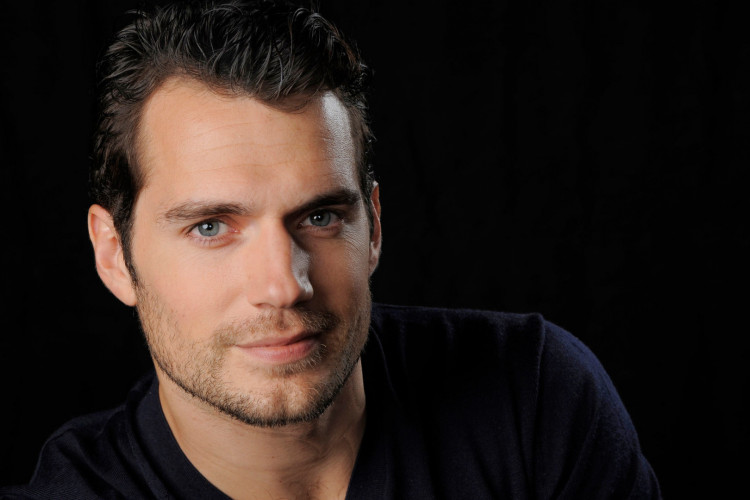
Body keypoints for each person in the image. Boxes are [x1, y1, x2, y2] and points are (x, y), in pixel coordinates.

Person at [1, 1, 661, 498]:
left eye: (319, 216)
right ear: (114, 255)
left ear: (372, 228)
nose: (284, 285)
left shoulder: (534, 403)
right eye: (210, 227)